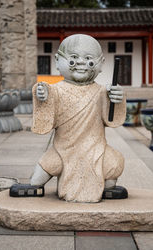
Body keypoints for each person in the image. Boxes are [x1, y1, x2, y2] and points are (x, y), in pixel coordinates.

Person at [31, 34, 127, 203]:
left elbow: (112, 119)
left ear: (101, 63)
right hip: (63, 150)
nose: (82, 63)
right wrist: (42, 96)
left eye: (89, 60)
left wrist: (117, 99)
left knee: (115, 164)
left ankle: (105, 187)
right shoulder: (56, 90)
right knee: (36, 180)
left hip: (96, 149)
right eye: (73, 59)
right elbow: (45, 108)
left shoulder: (102, 92)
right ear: (57, 61)